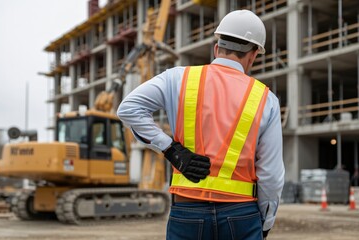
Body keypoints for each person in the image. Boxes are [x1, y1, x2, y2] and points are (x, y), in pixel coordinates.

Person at [117, 9, 284, 240]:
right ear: (254, 54)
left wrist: (171, 150)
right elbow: (272, 175)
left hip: (187, 211)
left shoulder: (178, 78)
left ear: (217, 48)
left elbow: (128, 109)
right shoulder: (266, 99)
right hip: (241, 215)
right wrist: (265, 221)